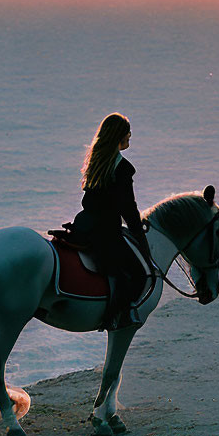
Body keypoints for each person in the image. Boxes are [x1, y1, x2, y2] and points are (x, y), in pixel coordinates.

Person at [72, 113, 150, 330]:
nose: (130, 135)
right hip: (105, 231)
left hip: (84, 223)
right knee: (138, 273)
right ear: (119, 135)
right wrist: (139, 235)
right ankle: (117, 316)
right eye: (128, 132)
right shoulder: (122, 167)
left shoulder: (96, 160)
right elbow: (128, 208)